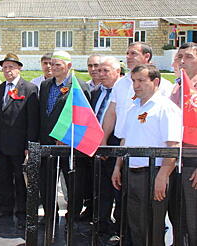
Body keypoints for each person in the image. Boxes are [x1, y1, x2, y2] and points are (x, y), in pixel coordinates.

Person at [111, 64, 181, 246]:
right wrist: (118, 167)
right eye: (134, 81)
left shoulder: (165, 108)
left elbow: (173, 145)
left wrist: (163, 176)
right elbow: (125, 140)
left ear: (155, 81)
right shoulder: (133, 107)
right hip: (132, 172)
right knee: (136, 224)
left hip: (154, 173)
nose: (136, 85)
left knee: (152, 225)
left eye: (141, 80)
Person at [38, 50, 90, 225]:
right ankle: (49, 215)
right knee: (47, 182)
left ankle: (72, 216)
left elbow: (83, 117)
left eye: (57, 64)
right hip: (47, 144)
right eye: (51, 64)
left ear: (69, 66)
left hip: (69, 146)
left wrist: (67, 136)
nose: (53, 67)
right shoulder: (45, 86)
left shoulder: (79, 86)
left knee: (73, 183)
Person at [0, 53, 39, 229]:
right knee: (2, 179)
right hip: (2, 144)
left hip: (19, 146)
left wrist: (29, 145)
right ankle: (5, 209)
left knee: (20, 180)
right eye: (5, 67)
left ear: (19, 68)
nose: (8, 70)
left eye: (11, 67)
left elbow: (32, 120)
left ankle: (22, 213)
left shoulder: (30, 88)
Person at [102, 42, 173, 145]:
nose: (128, 57)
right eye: (127, 53)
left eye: (133, 53)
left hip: (147, 143)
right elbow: (111, 112)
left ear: (147, 56)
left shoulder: (163, 85)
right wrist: (104, 138)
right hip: (118, 140)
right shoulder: (120, 83)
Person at [87, 56, 121, 244]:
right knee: (101, 188)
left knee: (117, 188)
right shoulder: (96, 92)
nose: (101, 74)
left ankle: (118, 228)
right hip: (96, 146)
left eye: (105, 71)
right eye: (99, 71)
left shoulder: (124, 92)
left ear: (117, 72)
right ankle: (101, 225)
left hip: (115, 145)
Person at [169, 42, 197, 245]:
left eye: (188, 57)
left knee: (193, 219)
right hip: (174, 160)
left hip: (192, 161)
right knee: (178, 218)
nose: (182, 61)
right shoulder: (177, 86)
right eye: (179, 57)